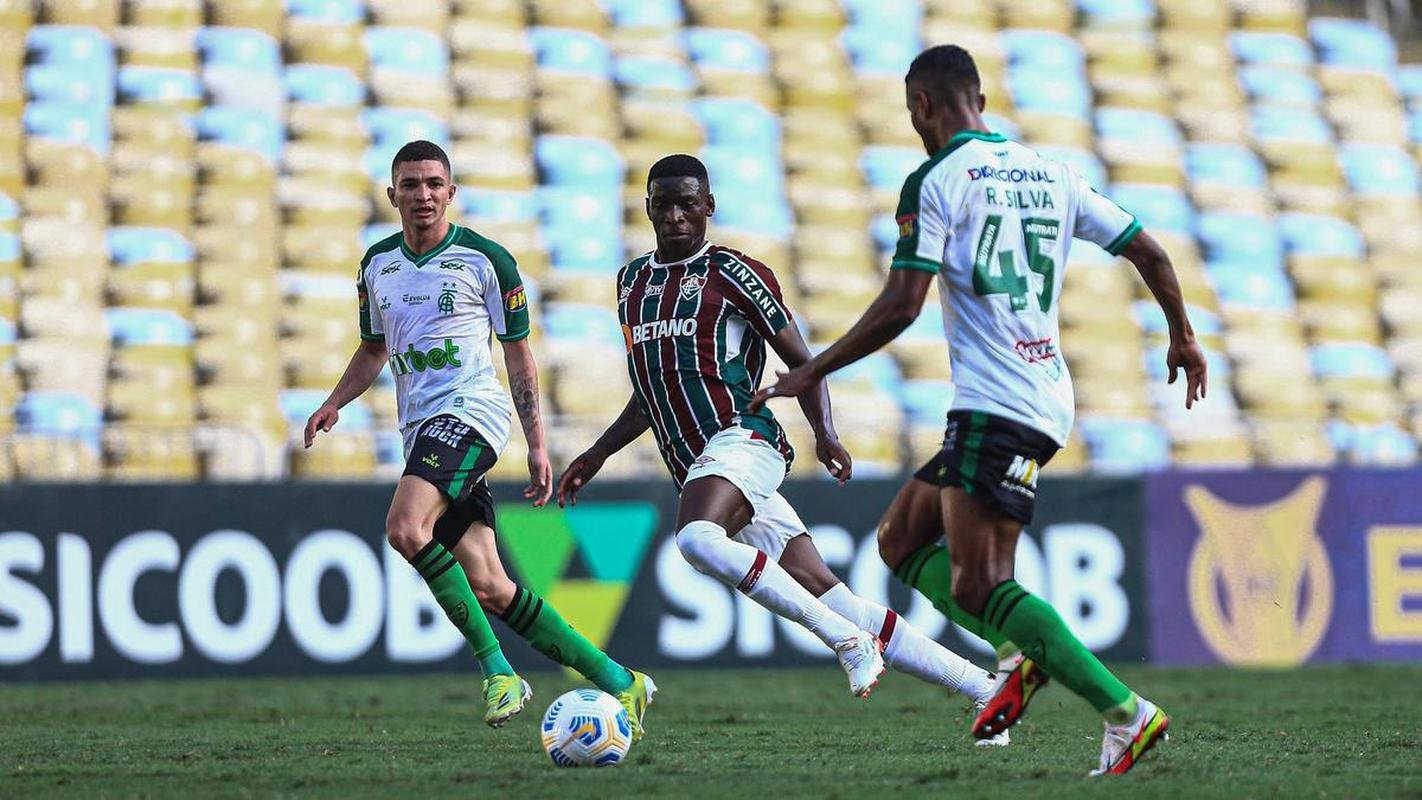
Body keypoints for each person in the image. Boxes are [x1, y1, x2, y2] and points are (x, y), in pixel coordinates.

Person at [752, 46, 1206, 776]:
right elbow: (1150, 252)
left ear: (925, 104)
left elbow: (904, 305)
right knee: (900, 540)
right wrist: (1183, 335)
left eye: (911, 114)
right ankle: (1013, 655)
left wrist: (811, 370)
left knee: (979, 583)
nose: (915, 127)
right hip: (1037, 391)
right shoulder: (1054, 174)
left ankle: (1126, 713)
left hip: (998, 404)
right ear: (980, 99)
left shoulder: (936, 179)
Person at [558, 153, 1000, 718]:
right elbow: (652, 389)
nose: (674, 216)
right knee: (833, 595)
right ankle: (981, 685)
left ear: (708, 207)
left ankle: (845, 643)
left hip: (745, 440)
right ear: (646, 208)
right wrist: (596, 453)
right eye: (662, 204)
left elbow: (802, 361)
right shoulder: (631, 284)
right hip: (703, 467)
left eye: (686, 204)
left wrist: (826, 433)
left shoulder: (735, 273)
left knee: (696, 538)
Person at [303, 140, 655, 739]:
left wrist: (538, 444)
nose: (423, 195)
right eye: (410, 185)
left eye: (434, 183)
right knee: (490, 585)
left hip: (474, 414)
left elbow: (519, 356)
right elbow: (373, 349)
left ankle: (498, 673)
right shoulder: (376, 266)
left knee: (404, 527)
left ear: (452, 192)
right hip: (422, 430)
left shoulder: (486, 260)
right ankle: (622, 681)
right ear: (392, 195)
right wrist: (336, 401)